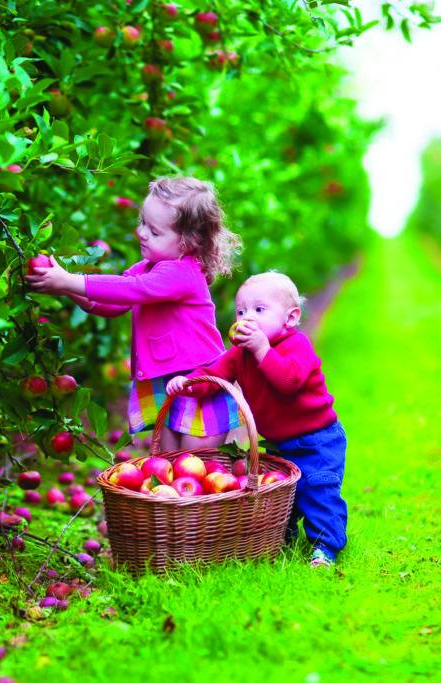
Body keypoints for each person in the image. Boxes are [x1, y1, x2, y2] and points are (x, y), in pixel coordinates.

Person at [27, 176, 242, 453]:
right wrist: (66, 289)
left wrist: (70, 280)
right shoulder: (148, 266)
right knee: (167, 462)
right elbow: (114, 304)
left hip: (198, 381)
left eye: (154, 231)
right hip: (165, 380)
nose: (142, 233)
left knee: (195, 462)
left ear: (188, 242)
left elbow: (136, 289)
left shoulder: (182, 272)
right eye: (143, 222)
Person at [166, 272, 346, 568]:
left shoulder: (296, 345)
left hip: (318, 439)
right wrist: (188, 383)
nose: (247, 317)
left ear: (290, 318)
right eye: (241, 311)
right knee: (281, 492)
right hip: (279, 442)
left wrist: (262, 349)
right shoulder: (240, 355)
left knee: (318, 489)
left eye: (259, 310)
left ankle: (325, 547)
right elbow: (214, 376)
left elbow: (289, 381)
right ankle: (280, 538)